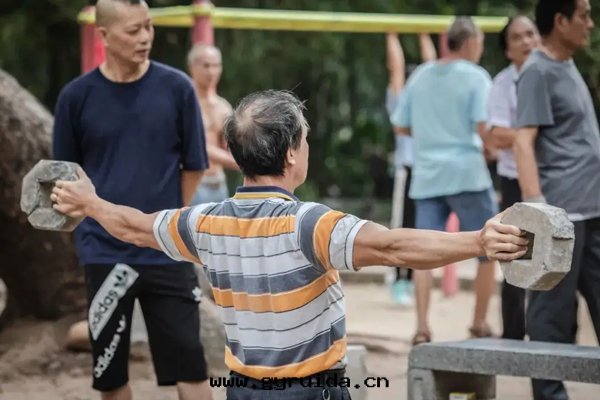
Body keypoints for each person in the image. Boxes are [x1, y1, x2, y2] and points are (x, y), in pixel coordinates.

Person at [51, 89, 527, 400]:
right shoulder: (309, 224)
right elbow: (392, 248)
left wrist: (91, 202)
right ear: (293, 153)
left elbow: (134, 226)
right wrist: (478, 240)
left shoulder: (202, 223)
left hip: (241, 389)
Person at [52, 1, 212, 399]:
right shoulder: (76, 97)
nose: (145, 38)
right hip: (103, 252)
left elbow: (195, 166)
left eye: (148, 27)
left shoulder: (177, 88)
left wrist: (161, 224)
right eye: (133, 30)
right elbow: (66, 178)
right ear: (104, 36)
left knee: (191, 368)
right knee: (111, 375)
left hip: (167, 249)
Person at [392, 17, 498, 345]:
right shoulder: (476, 77)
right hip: (467, 174)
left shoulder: (420, 76)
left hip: (427, 176)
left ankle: (422, 327)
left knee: (423, 254)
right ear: (470, 43)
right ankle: (479, 322)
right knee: (489, 247)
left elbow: (401, 125)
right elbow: (483, 127)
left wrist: (431, 134)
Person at [513, 0, 600, 398]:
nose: (590, 24)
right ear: (561, 21)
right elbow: (523, 142)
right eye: (584, 16)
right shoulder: (537, 71)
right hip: (562, 217)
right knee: (551, 317)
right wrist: (540, 217)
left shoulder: (567, 64)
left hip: (592, 211)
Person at [487, 16, 540, 340]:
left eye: (531, 34)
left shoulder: (553, 75)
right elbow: (496, 134)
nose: (526, 41)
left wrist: (522, 134)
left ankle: (554, 336)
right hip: (514, 180)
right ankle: (513, 336)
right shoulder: (503, 84)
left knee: (558, 256)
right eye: (518, 37)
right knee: (514, 254)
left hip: (554, 180)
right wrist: (532, 135)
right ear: (508, 50)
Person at [386, 32, 437, 305]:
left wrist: (423, 32)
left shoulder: (429, 99)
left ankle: (414, 280)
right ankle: (399, 280)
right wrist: (392, 34)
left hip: (427, 171)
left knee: (422, 228)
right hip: (406, 170)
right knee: (401, 226)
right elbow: (396, 70)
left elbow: (432, 67)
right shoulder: (401, 98)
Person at [188, 44, 239, 205]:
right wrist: (234, 162)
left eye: (216, 65)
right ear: (192, 67)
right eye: (206, 65)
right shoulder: (184, 103)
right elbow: (195, 146)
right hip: (193, 184)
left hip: (219, 185)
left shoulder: (223, 106)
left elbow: (234, 146)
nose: (211, 71)